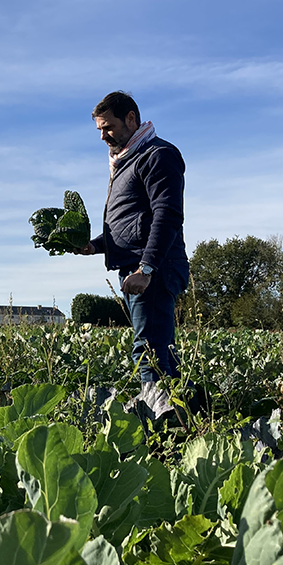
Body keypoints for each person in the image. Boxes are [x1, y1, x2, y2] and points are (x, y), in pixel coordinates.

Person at [77, 91, 189, 389]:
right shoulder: (127, 161)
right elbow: (131, 222)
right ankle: (190, 413)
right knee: (161, 351)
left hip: (155, 268)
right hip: (139, 266)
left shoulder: (157, 155)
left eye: (108, 127)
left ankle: (159, 424)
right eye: (99, 129)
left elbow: (167, 215)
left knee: (148, 352)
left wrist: (147, 268)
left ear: (131, 118)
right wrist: (96, 246)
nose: (103, 136)